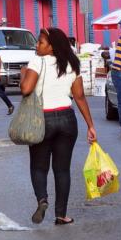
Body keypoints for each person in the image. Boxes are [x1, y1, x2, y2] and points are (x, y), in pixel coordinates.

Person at [21, 27, 97, 225]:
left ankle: (42, 199)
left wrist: (24, 75)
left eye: (40, 43)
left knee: (39, 166)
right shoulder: (72, 63)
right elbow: (79, 96)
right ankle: (61, 215)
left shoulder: (37, 61)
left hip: (41, 120)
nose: (37, 45)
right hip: (67, 119)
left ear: (51, 47)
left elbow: (26, 89)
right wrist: (90, 125)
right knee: (62, 170)